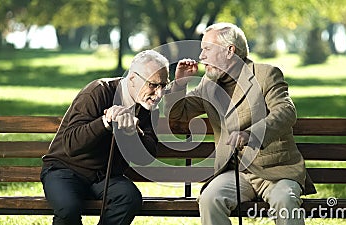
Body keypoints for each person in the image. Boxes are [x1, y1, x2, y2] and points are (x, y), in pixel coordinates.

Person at [164, 22, 316, 225]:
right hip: (236, 174)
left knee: (284, 201)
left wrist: (251, 135)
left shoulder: (266, 75)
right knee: (210, 199)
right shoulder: (208, 85)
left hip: (277, 172)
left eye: (207, 49)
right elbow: (177, 117)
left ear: (229, 51)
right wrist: (179, 86)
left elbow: (286, 112)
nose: (201, 57)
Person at [41, 50, 170, 225]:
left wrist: (134, 132)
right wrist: (105, 123)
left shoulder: (149, 107)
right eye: (153, 85)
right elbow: (71, 144)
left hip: (103, 177)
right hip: (64, 170)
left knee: (129, 198)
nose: (159, 94)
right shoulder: (98, 92)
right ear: (132, 78)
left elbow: (146, 157)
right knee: (68, 208)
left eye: (164, 85)